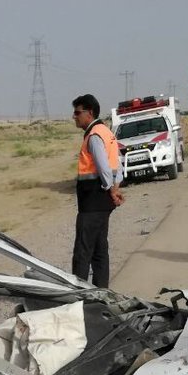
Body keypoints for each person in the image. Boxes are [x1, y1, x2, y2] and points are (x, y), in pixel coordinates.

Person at [70, 94, 124, 287]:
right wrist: (115, 189)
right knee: (100, 250)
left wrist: (110, 189)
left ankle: (79, 295)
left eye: (77, 112)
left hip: (93, 203)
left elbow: (104, 169)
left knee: (83, 253)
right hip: (101, 204)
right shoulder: (106, 132)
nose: (74, 116)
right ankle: (102, 292)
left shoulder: (94, 136)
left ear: (89, 112)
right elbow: (119, 165)